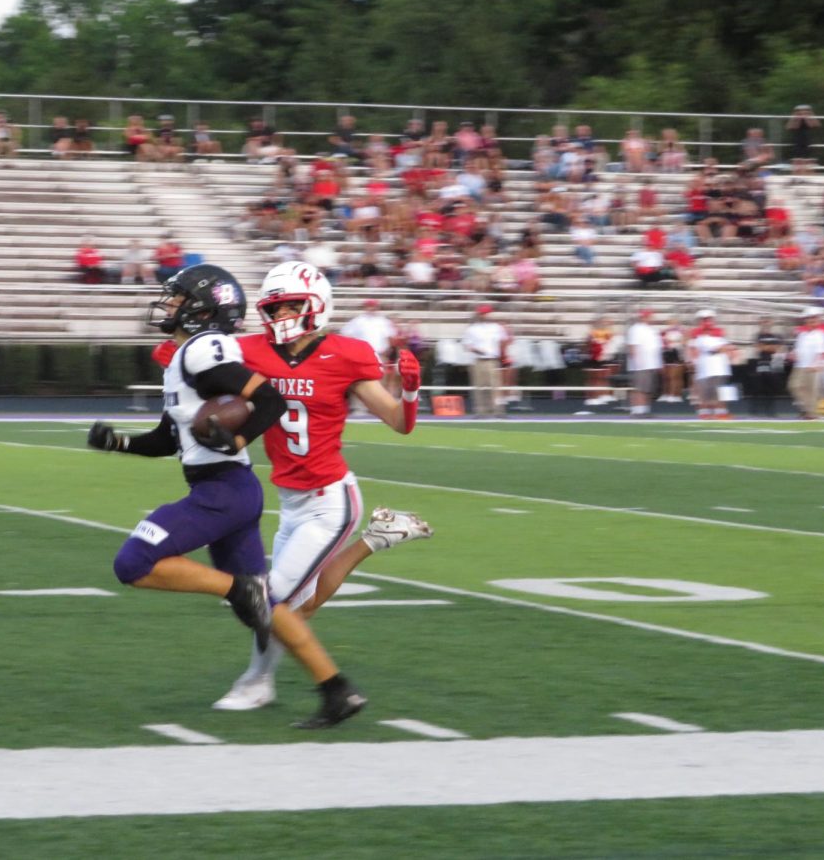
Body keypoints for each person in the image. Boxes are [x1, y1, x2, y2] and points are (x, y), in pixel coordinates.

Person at [86, 264, 367, 728]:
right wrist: (118, 443)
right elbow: (166, 439)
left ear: (203, 308)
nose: (169, 305)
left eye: (178, 299)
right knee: (265, 612)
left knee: (133, 563)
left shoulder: (201, 349)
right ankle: (337, 689)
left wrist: (237, 441)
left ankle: (242, 589)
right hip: (226, 489)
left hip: (224, 491)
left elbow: (271, 400)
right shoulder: (184, 357)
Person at [212, 261, 432, 712]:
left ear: (316, 306)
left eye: (291, 305)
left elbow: (398, 422)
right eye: (274, 308)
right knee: (297, 602)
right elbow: (187, 357)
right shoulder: (251, 349)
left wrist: (409, 393)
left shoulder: (348, 354)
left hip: (331, 498)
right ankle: (376, 539)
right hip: (289, 498)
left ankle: (257, 682)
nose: (281, 316)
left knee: (273, 601)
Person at [461, 304, 510, 417]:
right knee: (480, 386)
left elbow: (503, 341)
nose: (486, 315)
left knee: (495, 386)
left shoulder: (496, 328)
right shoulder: (472, 329)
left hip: (492, 360)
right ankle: (481, 410)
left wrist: (503, 356)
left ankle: (498, 410)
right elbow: (466, 345)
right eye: (484, 314)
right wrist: (476, 350)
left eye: (487, 313)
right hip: (479, 360)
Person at [788, 307, 824, 419]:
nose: (811, 321)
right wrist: (793, 354)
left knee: (812, 391)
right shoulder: (802, 335)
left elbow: (822, 353)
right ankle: (809, 410)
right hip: (800, 365)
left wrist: (816, 364)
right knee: (794, 386)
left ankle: (812, 413)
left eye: (814, 319)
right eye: (809, 319)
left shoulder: (821, 335)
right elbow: (797, 349)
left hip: (813, 366)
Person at [625, 309, 662, 416]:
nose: (651, 318)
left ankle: (645, 409)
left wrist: (659, 363)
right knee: (639, 388)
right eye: (649, 316)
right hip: (641, 364)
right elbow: (633, 346)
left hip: (652, 363)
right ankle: (637, 410)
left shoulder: (652, 330)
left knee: (648, 389)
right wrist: (637, 362)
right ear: (643, 317)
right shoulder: (636, 329)